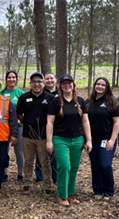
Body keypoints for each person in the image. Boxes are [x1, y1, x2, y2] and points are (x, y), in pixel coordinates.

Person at [46, 74, 92, 207]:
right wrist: (49, 141)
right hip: (60, 139)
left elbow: (85, 121)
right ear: (60, 86)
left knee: (74, 167)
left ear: (73, 84)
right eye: (64, 83)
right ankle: (62, 194)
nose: (67, 85)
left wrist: (88, 140)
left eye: (69, 83)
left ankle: (71, 193)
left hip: (77, 139)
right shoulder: (55, 102)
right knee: (64, 166)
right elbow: (49, 122)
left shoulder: (81, 101)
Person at [17, 72, 54, 196]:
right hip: (28, 135)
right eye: (34, 82)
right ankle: (27, 184)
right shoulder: (24, 97)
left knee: (45, 162)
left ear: (43, 83)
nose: (37, 84)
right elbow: (19, 114)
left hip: (44, 137)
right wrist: (26, 123)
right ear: (30, 84)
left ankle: (47, 186)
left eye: (39, 81)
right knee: (28, 161)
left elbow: (53, 118)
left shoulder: (50, 98)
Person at [86, 77, 119, 200]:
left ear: (107, 88)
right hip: (92, 140)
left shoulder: (112, 102)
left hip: (107, 139)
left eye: (103, 85)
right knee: (95, 165)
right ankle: (98, 190)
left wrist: (112, 140)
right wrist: (87, 140)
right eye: (98, 84)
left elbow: (117, 123)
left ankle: (108, 191)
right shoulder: (88, 102)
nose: (100, 87)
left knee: (105, 165)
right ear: (94, 86)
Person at [0, 70, 25, 183]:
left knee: (19, 151)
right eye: (9, 77)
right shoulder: (1, 92)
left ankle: (20, 173)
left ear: (16, 79)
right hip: (4, 126)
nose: (11, 79)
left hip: (18, 126)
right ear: (6, 79)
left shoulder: (20, 93)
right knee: (4, 150)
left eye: (13, 77)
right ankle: (4, 172)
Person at [36, 72, 59, 183]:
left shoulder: (61, 93)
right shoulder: (40, 93)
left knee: (54, 155)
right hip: (41, 128)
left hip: (57, 128)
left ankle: (55, 177)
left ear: (55, 80)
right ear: (44, 81)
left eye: (52, 78)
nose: (50, 81)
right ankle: (40, 177)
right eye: (47, 79)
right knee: (40, 155)